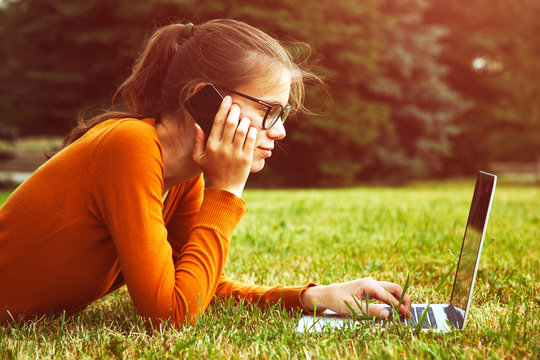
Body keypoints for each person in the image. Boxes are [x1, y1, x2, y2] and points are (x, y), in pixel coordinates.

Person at [0, 19, 411, 327]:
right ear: (205, 101)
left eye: (281, 114)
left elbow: (194, 290)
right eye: (267, 111)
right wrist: (227, 192)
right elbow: (169, 317)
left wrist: (312, 297)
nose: (280, 129)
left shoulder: (181, 177)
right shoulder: (131, 146)